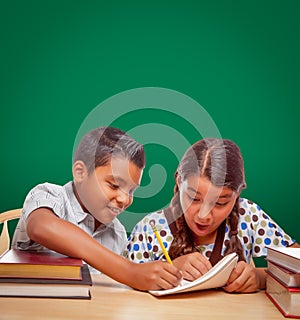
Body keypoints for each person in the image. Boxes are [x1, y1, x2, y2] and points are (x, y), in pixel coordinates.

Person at [12, 126, 181, 291]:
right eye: (114, 185)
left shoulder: (118, 233)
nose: (124, 199)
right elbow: (41, 227)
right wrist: (129, 271)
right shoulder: (48, 195)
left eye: (131, 191)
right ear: (80, 172)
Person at [123, 138, 299, 293]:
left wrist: (260, 278)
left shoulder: (249, 215)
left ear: (237, 195)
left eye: (220, 203)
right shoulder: (148, 230)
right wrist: (169, 270)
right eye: (194, 198)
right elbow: (124, 288)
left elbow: (297, 266)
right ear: (178, 182)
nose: (203, 215)